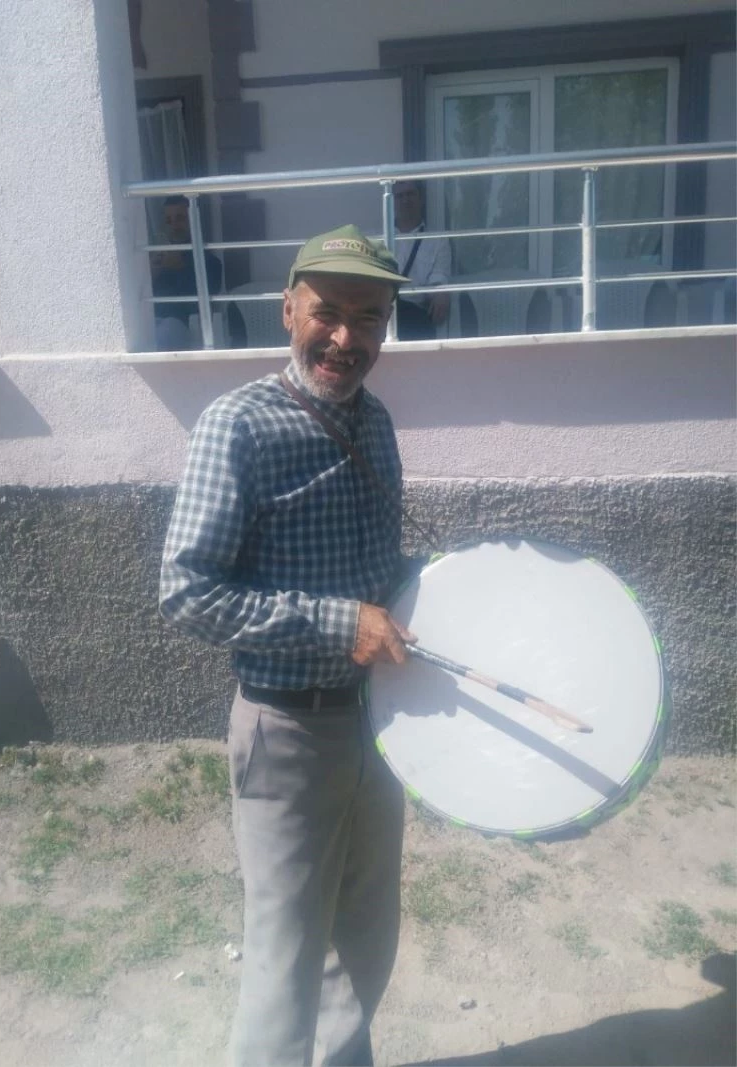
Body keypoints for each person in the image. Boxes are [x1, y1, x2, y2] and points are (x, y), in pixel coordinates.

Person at [159, 224, 415, 1066]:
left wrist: (455, 586)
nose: (346, 338)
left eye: (368, 318)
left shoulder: (375, 421)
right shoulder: (236, 425)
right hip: (287, 732)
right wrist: (342, 623)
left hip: (381, 726)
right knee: (285, 959)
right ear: (288, 311)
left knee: (367, 936)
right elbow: (188, 591)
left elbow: (376, 571)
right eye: (327, 312)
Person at [151, 195, 246, 349]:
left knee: (162, 333)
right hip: (154, 321)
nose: (174, 225)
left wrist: (181, 268)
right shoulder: (158, 259)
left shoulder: (210, 262)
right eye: (168, 221)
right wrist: (152, 271)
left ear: (192, 221)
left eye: (179, 218)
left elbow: (202, 302)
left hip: (184, 326)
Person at [393, 180, 451, 341]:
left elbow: (439, 276)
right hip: (386, 312)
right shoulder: (380, 239)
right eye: (399, 196)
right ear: (392, 202)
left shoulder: (438, 240)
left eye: (410, 194)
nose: (405, 200)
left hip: (416, 315)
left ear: (421, 198)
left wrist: (441, 293)